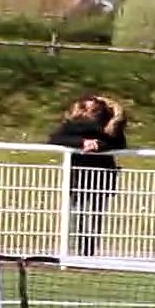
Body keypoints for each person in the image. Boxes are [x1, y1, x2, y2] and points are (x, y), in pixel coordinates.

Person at [47, 95, 127, 256]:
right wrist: (83, 143)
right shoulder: (72, 125)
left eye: (95, 109)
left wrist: (98, 145)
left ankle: (89, 252)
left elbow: (118, 143)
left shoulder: (109, 127)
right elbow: (55, 138)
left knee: (96, 215)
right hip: (78, 176)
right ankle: (76, 250)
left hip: (102, 176)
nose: (90, 112)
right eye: (86, 108)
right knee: (78, 214)